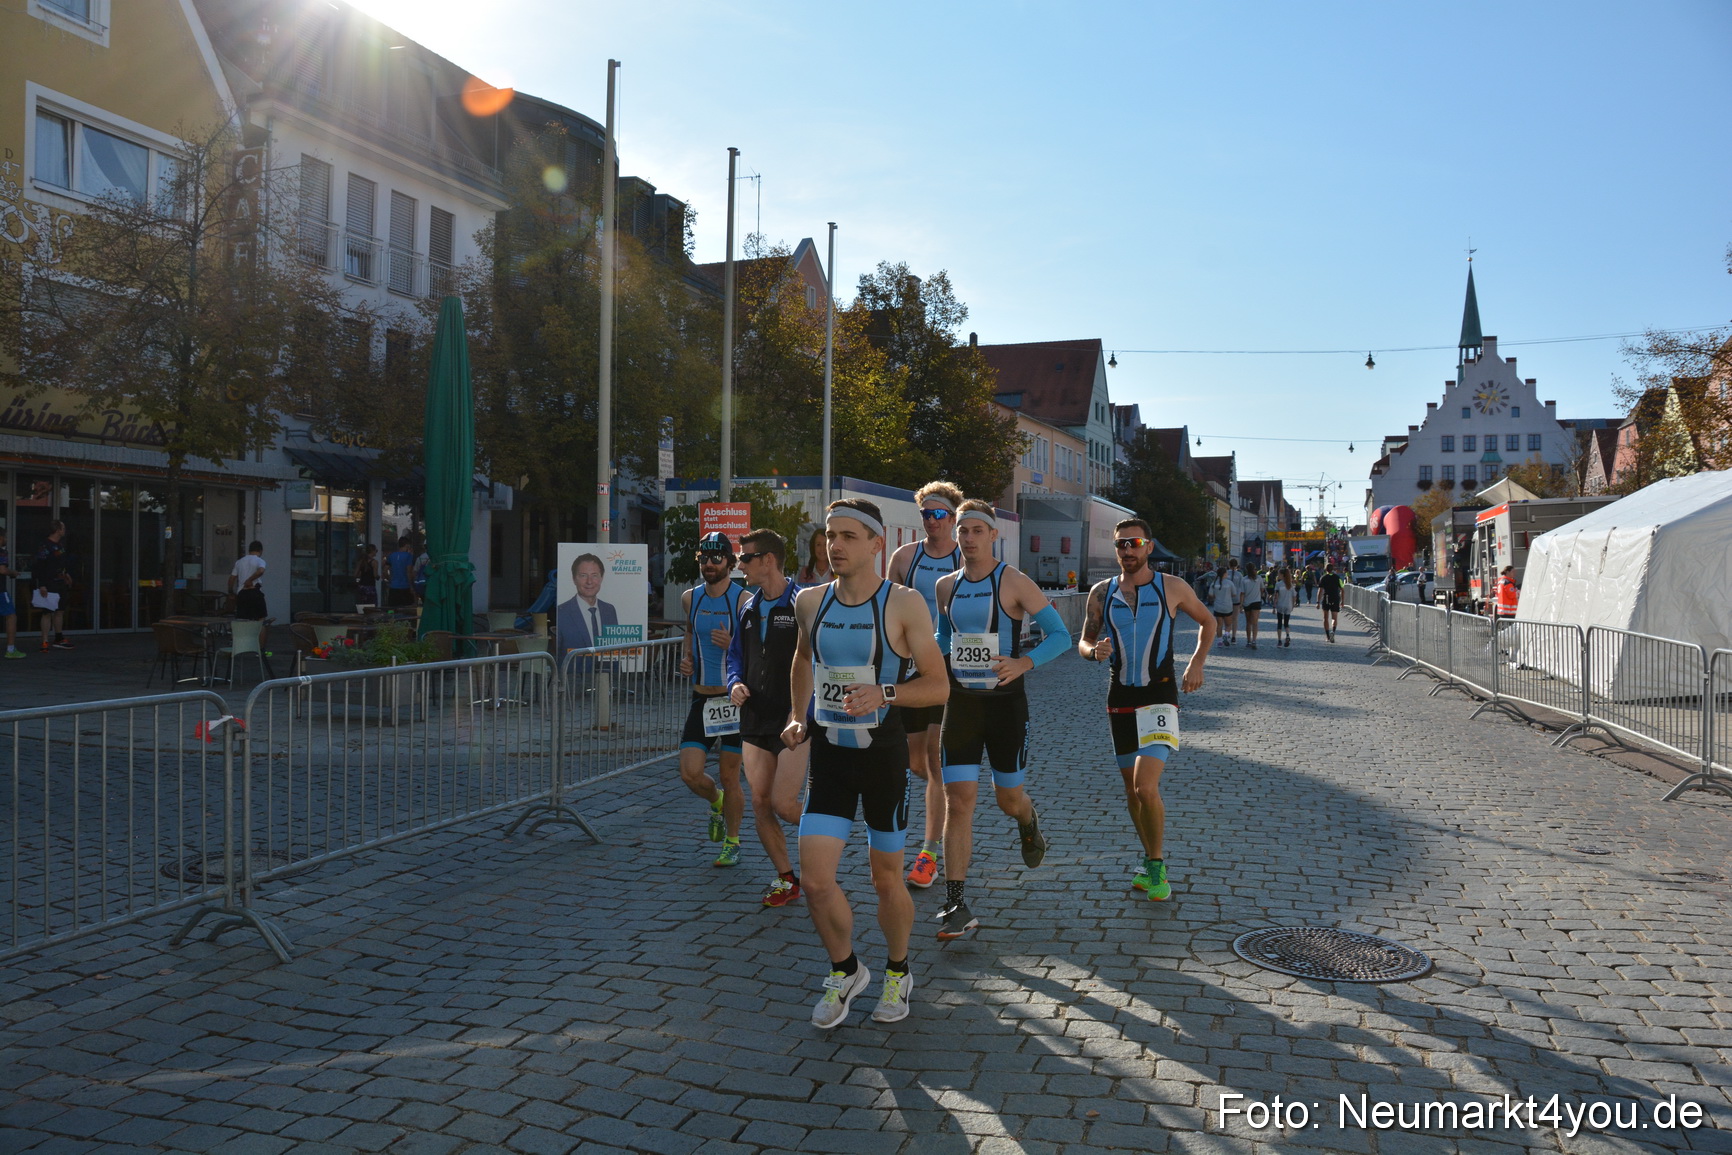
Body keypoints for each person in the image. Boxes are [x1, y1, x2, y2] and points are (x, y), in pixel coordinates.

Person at [783, 499, 947, 1028]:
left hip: (882, 757)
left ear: (877, 544)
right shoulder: (809, 601)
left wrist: (886, 692)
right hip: (830, 757)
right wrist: (796, 714)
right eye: (831, 535)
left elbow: (938, 684)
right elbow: (803, 659)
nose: (835, 545)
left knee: (884, 879)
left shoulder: (904, 604)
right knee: (814, 880)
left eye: (849, 536)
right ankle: (846, 969)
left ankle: (898, 971)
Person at [929, 500, 1073, 939]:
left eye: (977, 530)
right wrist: (935, 660)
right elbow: (943, 635)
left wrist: (1023, 663)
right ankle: (956, 902)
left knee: (1007, 799)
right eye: (963, 531)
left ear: (993, 535)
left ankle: (1028, 821)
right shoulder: (944, 586)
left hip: (1007, 706)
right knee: (959, 800)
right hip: (962, 705)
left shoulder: (1013, 581)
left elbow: (1061, 635)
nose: (969, 538)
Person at [1078, 519, 1215, 901]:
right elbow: (1085, 641)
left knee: (1145, 785)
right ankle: (1148, 860)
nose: (1128, 550)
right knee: (1131, 791)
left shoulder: (1171, 586)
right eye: (1121, 544)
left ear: (1149, 547)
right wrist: (1094, 652)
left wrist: (1197, 663)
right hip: (1119, 698)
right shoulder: (1101, 593)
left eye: (1135, 543)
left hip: (1160, 695)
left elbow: (1208, 621)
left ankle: (1156, 867)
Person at [886, 480, 964, 892]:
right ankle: (949, 800)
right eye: (925, 515)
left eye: (939, 515)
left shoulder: (964, 558)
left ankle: (929, 853)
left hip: (948, 670)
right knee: (916, 763)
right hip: (909, 670)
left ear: (953, 519)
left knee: (934, 760)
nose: (931, 522)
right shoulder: (904, 558)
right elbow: (885, 609)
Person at [725, 529, 808, 906]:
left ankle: (827, 834)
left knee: (784, 804)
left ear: (768, 560)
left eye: (745, 558)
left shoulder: (802, 602)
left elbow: (817, 661)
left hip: (794, 717)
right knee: (760, 802)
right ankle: (787, 879)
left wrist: (801, 709)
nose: (738, 564)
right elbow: (735, 659)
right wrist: (733, 683)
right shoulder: (748, 607)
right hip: (755, 717)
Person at [678, 532, 746, 866]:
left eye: (717, 558)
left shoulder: (743, 599)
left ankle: (732, 842)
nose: (709, 563)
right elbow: (689, 633)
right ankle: (716, 802)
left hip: (733, 700)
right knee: (690, 773)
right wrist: (686, 658)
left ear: (731, 563)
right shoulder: (691, 598)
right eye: (704, 557)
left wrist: (733, 642)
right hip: (702, 698)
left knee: (731, 776)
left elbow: (757, 648)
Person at [556, 553, 620, 654]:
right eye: (583, 576)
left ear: (601, 578)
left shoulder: (609, 610)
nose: (589, 581)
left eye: (594, 575)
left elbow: (614, 651)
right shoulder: (561, 612)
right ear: (574, 579)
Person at [32, 521, 73, 651]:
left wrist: (66, 574)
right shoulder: (45, 545)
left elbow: (61, 562)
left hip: (60, 582)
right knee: (47, 612)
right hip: (49, 583)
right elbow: (39, 566)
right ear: (58, 530)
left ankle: (58, 638)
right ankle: (44, 641)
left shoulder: (60, 545)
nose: (65, 530)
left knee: (60, 611)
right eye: (63, 528)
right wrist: (42, 585)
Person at [0, 530, 25, 659]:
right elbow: (2, 570)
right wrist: (13, 572)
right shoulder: (2, 551)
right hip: (0, 591)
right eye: (5, 537)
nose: (6, 540)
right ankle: (10, 649)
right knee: (11, 616)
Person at [229, 541, 268, 621]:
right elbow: (261, 571)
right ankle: (258, 633)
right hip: (255, 592)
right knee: (260, 621)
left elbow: (232, 578)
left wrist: (231, 592)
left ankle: (245, 633)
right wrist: (250, 579)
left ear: (249, 550)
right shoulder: (259, 560)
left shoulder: (239, 562)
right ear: (260, 551)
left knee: (243, 621)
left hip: (242, 593)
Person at [384, 538, 418, 608]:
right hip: (405, 586)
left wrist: (390, 580)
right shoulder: (409, 556)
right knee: (407, 610)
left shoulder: (391, 555)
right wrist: (411, 586)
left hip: (393, 587)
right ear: (407, 545)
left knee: (392, 610)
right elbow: (408, 572)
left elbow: (384, 571)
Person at [1208, 561, 1235, 646]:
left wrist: (1216, 597)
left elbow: (1210, 595)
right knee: (1228, 624)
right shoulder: (1230, 583)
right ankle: (1226, 635)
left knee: (1219, 625)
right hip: (1228, 606)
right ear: (1224, 574)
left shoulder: (1214, 583)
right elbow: (1234, 594)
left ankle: (1219, 641)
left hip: (1218, 606)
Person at [1317, 559, 1344, 642]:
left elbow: (1320, 590)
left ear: (1326, 569)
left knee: (1325, 617)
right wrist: (1342, 601)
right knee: (1334, 617)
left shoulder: (1323, 578)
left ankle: (1327, 636)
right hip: (1335, 598)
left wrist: (1318, 602)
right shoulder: (1337, 578)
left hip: (1326, 598)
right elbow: (1342, 589)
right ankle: (1333, 631)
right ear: (1333, 569)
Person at [1240, 562, 1264, 650]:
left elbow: (1242, 593)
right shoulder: (1259, 578)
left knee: (1248, 622)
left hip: (1247, 602)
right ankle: (1254, 640)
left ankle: (1248, 640)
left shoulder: (1244, 579)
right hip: (1256, 601)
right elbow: (1262, 589)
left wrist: (1241, 605)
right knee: (1255, 622)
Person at [1273, 566, 1297, 647]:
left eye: (1279, 574)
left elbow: (1276, 596)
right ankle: (1287, 635)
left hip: (1280, 605)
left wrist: (1274, 606)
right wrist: (1293, 604)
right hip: (1288, 605)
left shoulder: (1278, 584)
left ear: (1282, 575)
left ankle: (1279, 641)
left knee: (1279, 623)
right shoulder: (1290, 585)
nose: (1278, 575)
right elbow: (1294, 596)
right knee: (1286, 623)